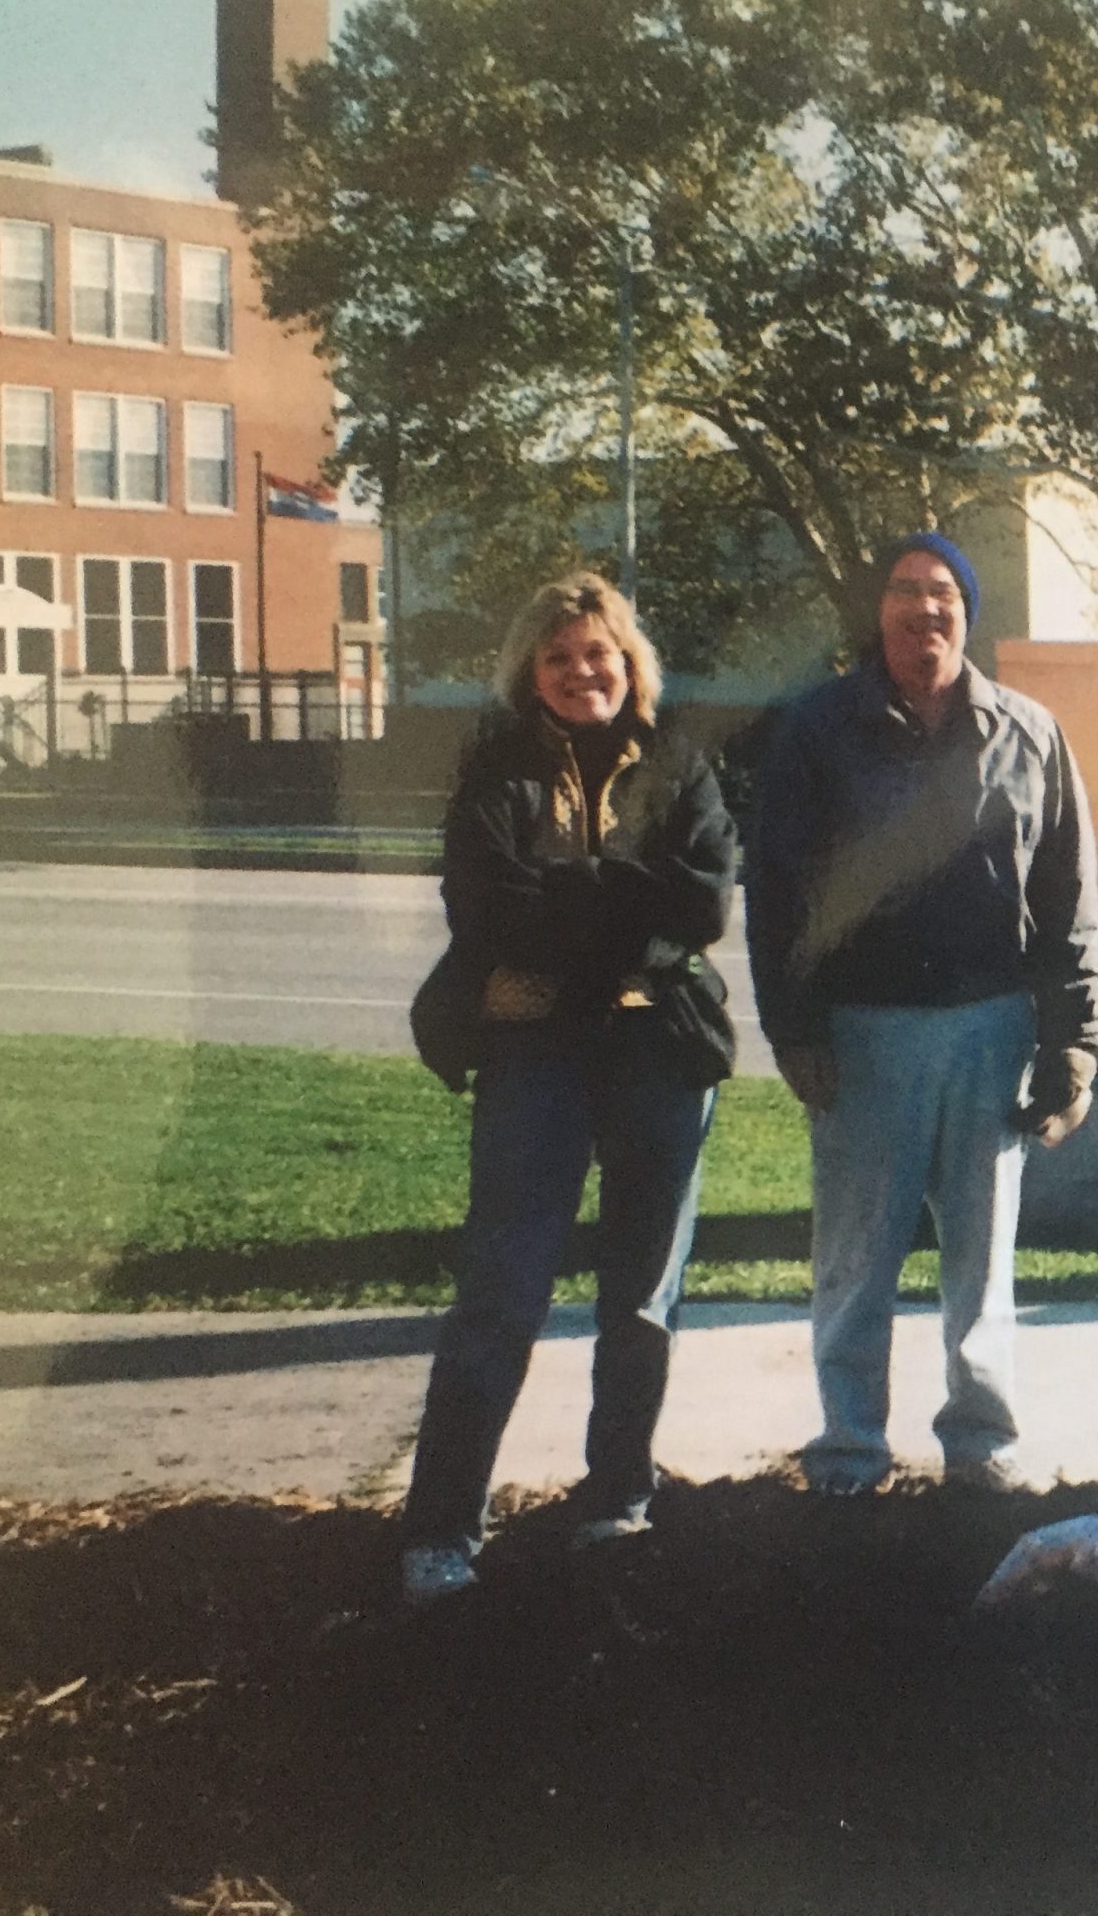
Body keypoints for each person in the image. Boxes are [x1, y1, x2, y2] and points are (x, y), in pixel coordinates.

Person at [400, 574, 738, 1605]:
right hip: (534, 1058)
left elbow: (703, 904)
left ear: (629, 662)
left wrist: (573, 913)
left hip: (656, 1056)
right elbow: (485, 906)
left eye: (598, 653)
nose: (582, 672)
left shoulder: (679, 761)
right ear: (529, 674)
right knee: (502, 1295)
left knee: (641, 1299)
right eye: (558, 658)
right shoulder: (495, 768)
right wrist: (628, 904)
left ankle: (616, 1503)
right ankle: (441, 1530)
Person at [746, 532, 1098, 1494]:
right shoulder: (818, 733)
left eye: (943, 590)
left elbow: (1069, 896)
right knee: (856, 1260)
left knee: (980, 1266)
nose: (924, 608)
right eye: (904, 591)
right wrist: (795, 1027)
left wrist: (1075, 1041)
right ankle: (849, 1450)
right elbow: (777, 893)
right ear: (879, 615)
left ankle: (981, 1447)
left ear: (967, 612)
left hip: (992, 1030)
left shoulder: (1029, 733)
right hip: (863, 1036)